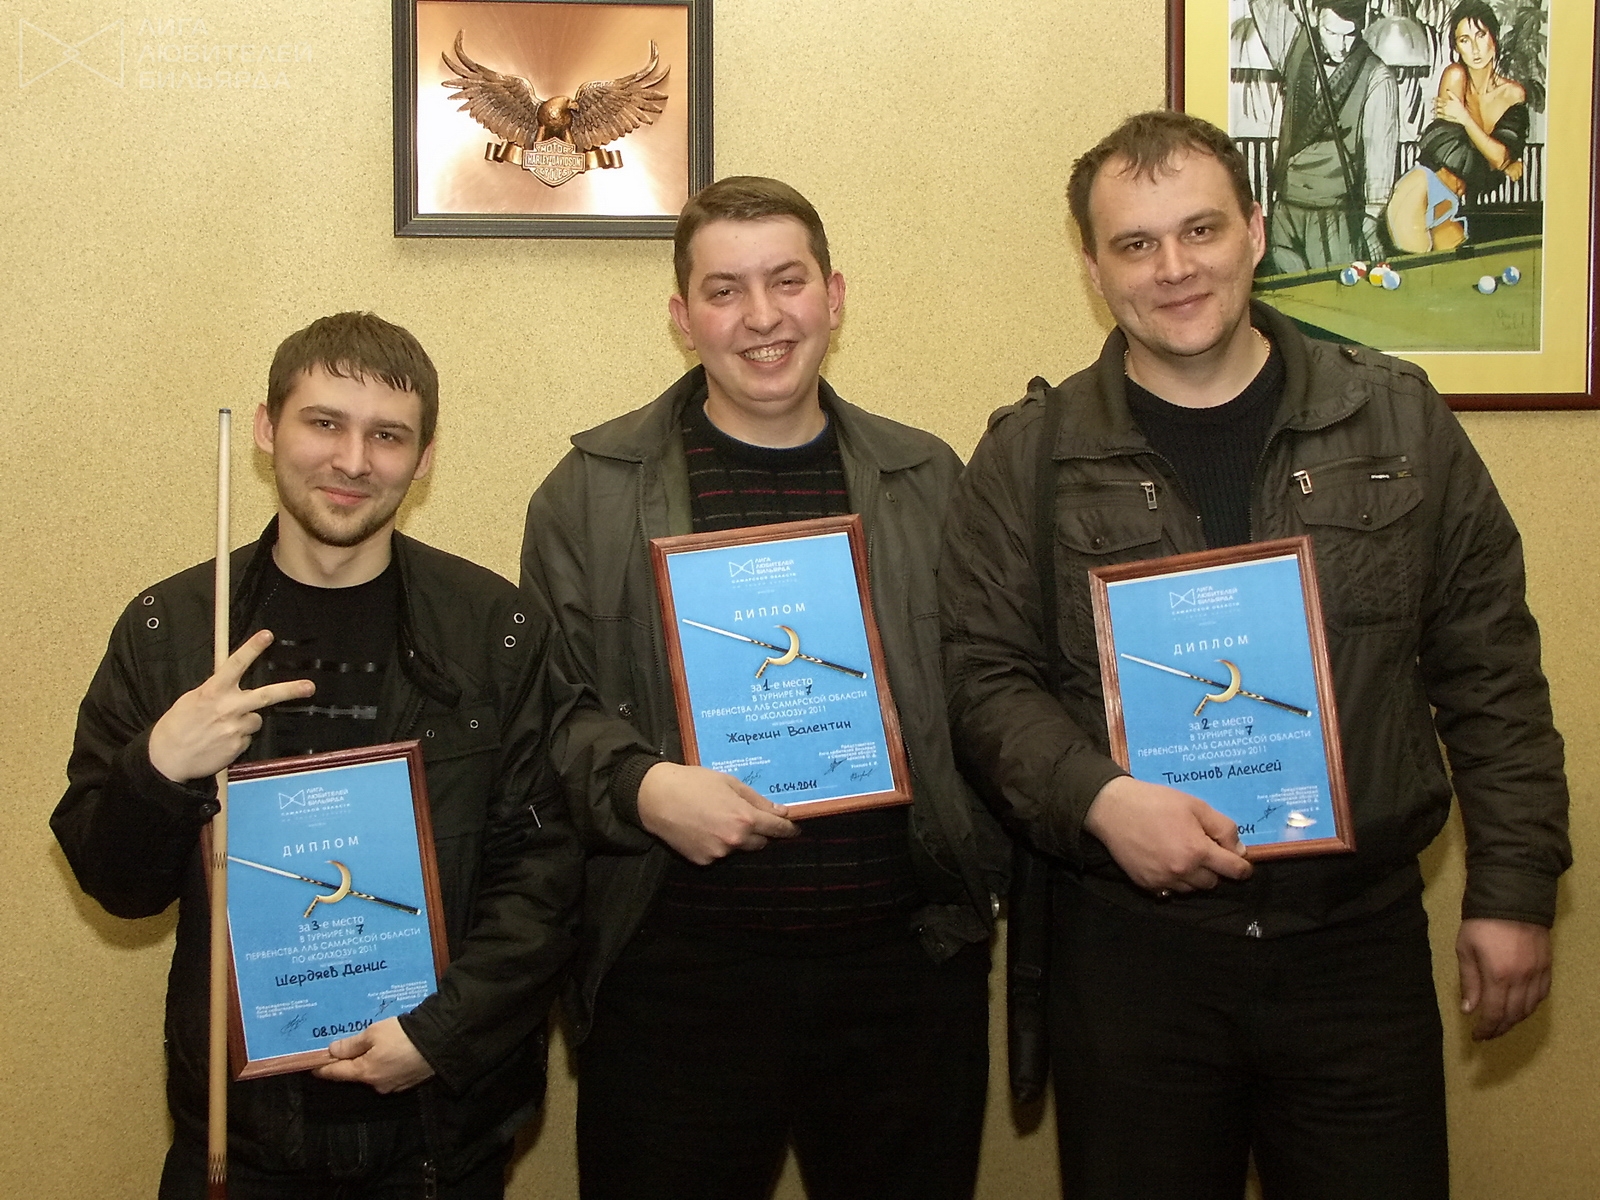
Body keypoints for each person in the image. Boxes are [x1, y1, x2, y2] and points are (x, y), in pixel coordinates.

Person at [940, 110, 1570, 1200]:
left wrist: (1512, 889)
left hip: (1354, 951)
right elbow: (983, 676)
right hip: (1134, 963)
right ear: (1092, 268)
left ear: (1258, 229)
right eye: (1136, 244)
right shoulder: (1029, 457)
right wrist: (1099, 801)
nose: (1174, 268)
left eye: (1201, 230)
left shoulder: (1397, 420)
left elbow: (1490, 669)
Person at [522, 176, 1008, 1200]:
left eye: (787, 281)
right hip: (677, 978)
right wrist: (643, 786)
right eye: (724, 290)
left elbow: (989, 684)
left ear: (834, 295)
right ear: (681, 316)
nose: (762, 317)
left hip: (902, 974)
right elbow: (550, 715)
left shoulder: (927, 479)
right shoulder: (587, 493)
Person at [53, 312, 583, 1198]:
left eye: (388, 435)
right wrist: (159, 768)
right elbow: (118, 886)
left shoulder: (495, 631)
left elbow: (546, 876)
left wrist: (440, 1036)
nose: (352, 460)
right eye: (324, 423)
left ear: (424, 458)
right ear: (267, 430)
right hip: (241, 1139)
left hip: (437, 1135)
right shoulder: (171, 630)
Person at [1251, 0, 1399, 270]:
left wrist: (1371, 216)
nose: (1341, 45)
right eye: (1331, 32)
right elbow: (1264, 5)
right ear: (1315, 18)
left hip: (1334, 216)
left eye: (1349, 34)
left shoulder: (1376, 76)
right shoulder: (1295, 46)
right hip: (1286, 208)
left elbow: (1380, 152)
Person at [1386, 0, 1528, 253]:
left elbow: (1498, 157)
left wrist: (1464, 118)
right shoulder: (1455, 76)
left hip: (1454, 203)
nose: (1475, 48)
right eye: (1464, 40)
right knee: (1415, 265)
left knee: (1454, 269)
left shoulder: (1513, 94)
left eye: (1480, 35)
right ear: (1456, 47)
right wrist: (1502, 161)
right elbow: (1453, 152)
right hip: (1422, 186)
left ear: (1494, 37)